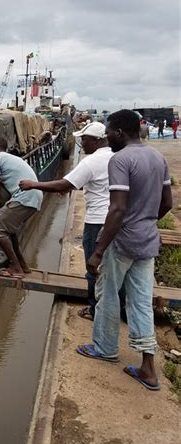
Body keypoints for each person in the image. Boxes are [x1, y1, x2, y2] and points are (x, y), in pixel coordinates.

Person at [77, 110, 172, 391]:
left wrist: (98, 249)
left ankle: (105, 349)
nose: (106, 137)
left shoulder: (121, 159)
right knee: (141, 301)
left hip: (122, 241)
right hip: (147, 240)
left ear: (119, 132)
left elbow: (117, 209)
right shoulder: (157, 157)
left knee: (106, 293)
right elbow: (166, 202)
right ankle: (148, 368)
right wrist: (147, 220)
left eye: (108, 132)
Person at [20, 121, 115, 320]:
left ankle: (95, 309)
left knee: (93, 267)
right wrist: (70, 187)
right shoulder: (115, 157)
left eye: (84, 139)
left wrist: (33, 184)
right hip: (115, 219)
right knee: (111, 268)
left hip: (97, 220)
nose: (81, 143)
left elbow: (63, 183)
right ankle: (114, 306)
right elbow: (98, 183)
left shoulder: (91, 161)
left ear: (96, 140)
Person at [0, 138, 42, 278]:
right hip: (34, 197)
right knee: (9, 231)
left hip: (24, 198)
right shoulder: (9, 158)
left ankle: (15, 269)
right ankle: (23, 265)